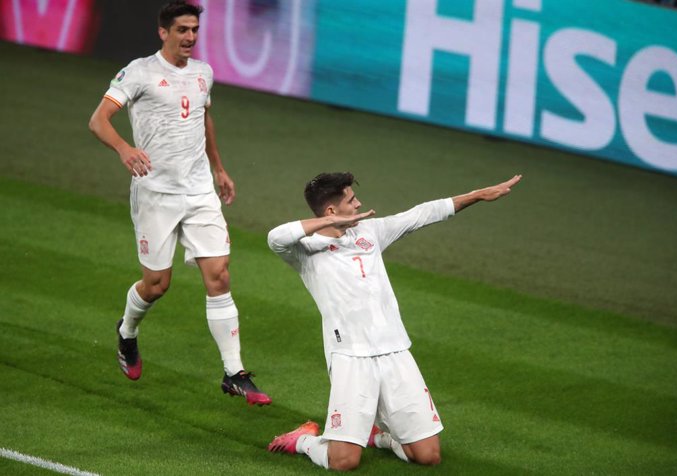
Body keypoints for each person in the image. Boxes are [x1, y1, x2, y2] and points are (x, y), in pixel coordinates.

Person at [266, 172, 522, 470]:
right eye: (351, 200)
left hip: (395, 352)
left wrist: (476, 195)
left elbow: (420, 214)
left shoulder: (370, 232)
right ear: (331, 211)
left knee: (428, 456)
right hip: (351, 356)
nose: (359, 203)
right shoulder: (305, 250)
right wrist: (326, 225)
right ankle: (304, 441)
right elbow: (275, 237)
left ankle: (382, 438)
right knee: (343, 462)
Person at [87, 1, 271, 406]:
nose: (190, 37)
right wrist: (123, 149)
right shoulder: (139, 72)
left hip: (200, 191)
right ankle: (128, 332)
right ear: (163, 32)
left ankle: (233, 372)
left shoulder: (204, 73)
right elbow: (98, 120)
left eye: (194, 30)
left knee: (219, 275)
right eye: (182, 30)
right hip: (156, 193)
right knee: (157, 285)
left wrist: (219, 168)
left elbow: (203, 119)